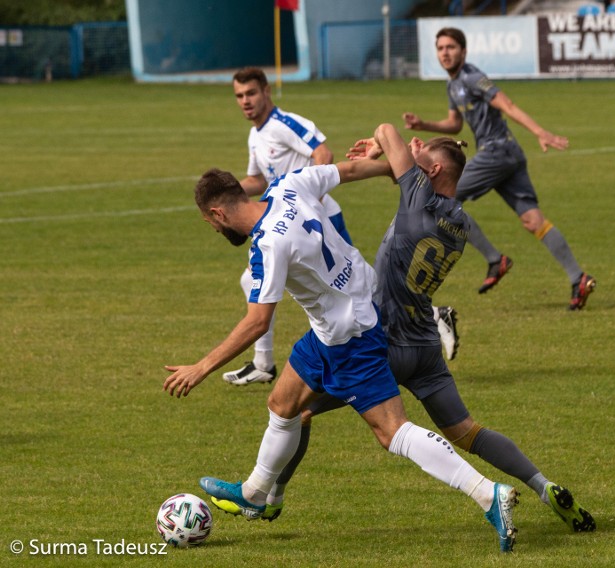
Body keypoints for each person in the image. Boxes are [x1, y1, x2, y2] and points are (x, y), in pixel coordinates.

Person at [210, 123, 596, 534]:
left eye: (422, 156)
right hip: (424, 343)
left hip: (381, 341)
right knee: (467, 431)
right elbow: (410, 167)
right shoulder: (460, 224)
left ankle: (269, 499)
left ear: (428, 174)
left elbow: (387, 130)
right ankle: (543, 484)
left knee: (301, 409)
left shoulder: (416, 203)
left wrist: (385, 144)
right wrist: (416, 154)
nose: (413, 155)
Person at [162, 154, 519, 552]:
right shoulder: (289, 185)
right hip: (349, 314)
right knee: (283, 403)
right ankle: (256, 492)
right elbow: (348, 170)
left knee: (392, 431)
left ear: (217, 213)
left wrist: (202, 367)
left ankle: (488, 494)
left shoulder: (266, 245)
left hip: (350, 337)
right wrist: (396, 165)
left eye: (209, 223)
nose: (213, 229)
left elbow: (257, 322)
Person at [223, 68, 459, 386]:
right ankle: (263, 362)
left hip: (315, 220)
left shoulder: (284, 124)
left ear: (266, 91)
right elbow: (256, 180)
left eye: (251, 93)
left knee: (356, 291)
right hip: (296, 222)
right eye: (239, 96)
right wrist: (225, 196)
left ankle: (430, 317)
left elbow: (323, 152)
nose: (245, 101)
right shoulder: (257, 135)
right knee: (353, 288)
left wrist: (308, 202)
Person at [402, 27, 596, 311]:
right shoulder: (452, 85)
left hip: (497, 152)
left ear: (463, 51)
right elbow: (454, 124)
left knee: (442, 200)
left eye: (451, 47)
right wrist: (424, 125)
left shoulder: (471, 76)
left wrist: (540, 132)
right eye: (441, 48)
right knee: (533, 221)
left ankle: (495, 259)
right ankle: (578, 278)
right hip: (508, 155)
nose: (445, 53)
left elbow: (506, 104)